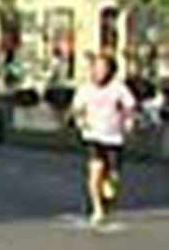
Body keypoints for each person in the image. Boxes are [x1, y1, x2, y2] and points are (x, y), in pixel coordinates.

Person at [70, 53, 137, 227]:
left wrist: (129, 121)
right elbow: (77, 108)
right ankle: (97, 208)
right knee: (95, 172)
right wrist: (81, 121)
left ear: (110, 70)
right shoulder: (85, 89)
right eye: (96, 68)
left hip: (114, 136)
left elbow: (130, 106)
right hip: (93, 135)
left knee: (113, 176)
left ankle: (107, 194)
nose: (98, 72)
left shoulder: (118, 88)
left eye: (103, 68)